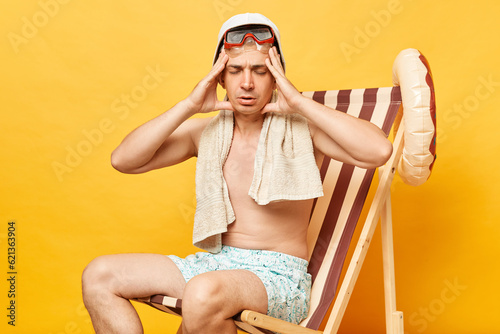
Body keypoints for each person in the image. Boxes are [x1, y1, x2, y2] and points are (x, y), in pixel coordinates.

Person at [81, 13, 393, 334]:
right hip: (214, 266)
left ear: (275, 78)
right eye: (235, 70)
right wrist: (188, 105)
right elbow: (123, 159)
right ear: (219, 78)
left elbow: (379, 151)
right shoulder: (205, 134)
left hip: (277, 276)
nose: (247, 83)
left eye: (260, 71)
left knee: (202, 293)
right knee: (99, 275)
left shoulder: (304, 132)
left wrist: (299, 102)